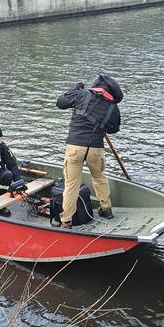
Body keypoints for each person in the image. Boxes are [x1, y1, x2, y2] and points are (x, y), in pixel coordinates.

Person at [55, 75, 122, 228]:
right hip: (96, 148)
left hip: (75, 146)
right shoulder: (113, 106)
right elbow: (114, 129)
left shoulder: (82, 94)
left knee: (72, 184)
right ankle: (106, 209)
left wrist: (74, 90)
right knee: (99, 177)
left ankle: (66, 220)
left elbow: (60, 103)